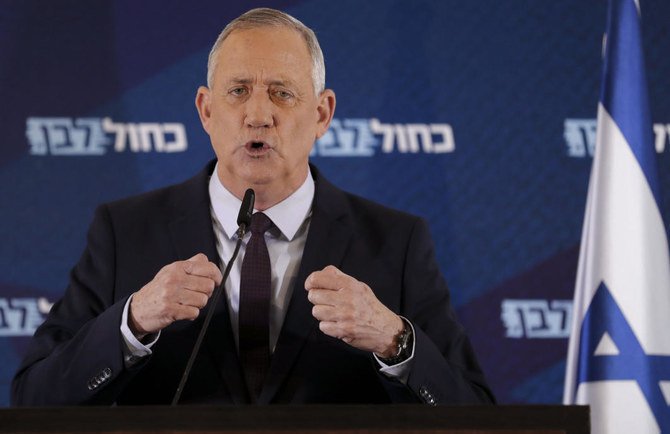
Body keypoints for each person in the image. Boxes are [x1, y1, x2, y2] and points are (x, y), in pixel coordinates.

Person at [11, 7, 494, 406]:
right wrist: (131, 322)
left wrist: (395, 339)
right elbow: (34, 398)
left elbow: (473, 409)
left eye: (282, 93)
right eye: (238, 90)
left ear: (322, 113)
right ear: (206, 110)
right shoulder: (125, 231)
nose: (258, 115)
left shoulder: (396, 241)